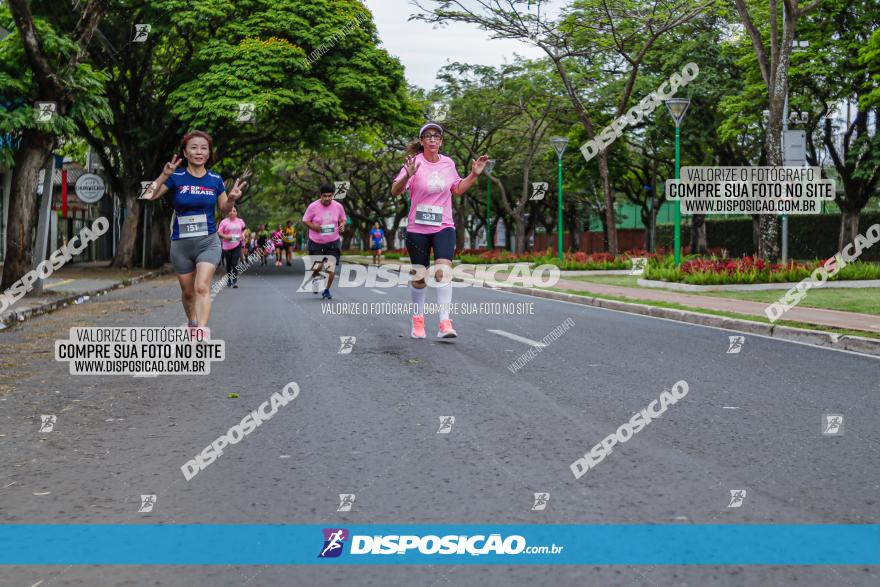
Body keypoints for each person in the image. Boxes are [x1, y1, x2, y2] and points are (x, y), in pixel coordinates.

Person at [141, 130, 248, 331]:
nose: (199, 152)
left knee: (201, 287)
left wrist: (232, 197)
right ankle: (192, 322)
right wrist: (164, 175)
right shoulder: (176, 176)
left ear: (209, 154)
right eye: (194, 147)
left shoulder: (215, 179)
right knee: (188, 292)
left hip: (208, 241)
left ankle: (201, 332)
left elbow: (225, 210)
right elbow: (147, 195)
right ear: (185, 152)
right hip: (181, 243)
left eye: (203, 148)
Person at [391, 122, 487, 339]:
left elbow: (458, 189)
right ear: (422, 141)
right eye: (428, 136)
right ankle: (418, 320)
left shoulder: (448, 163)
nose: (432, 139)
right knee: (420, 277)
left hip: (444, 226)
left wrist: (474, 175)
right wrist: (407, 175)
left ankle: (445, 322)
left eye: (436, 136)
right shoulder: (413, 163)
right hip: (418, 229)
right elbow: (395, 191)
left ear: (441, 141)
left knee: (443, 271)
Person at [302, 184, 346, 300]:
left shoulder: (338, 206)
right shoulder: (313, 207)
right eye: (325, 196)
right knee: (318, 267)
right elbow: (305, 220)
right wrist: (314, 227)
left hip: (333, 241)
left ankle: (326, 290)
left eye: (330, 196)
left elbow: (342, 219)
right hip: (316, 241)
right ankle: (316, 278)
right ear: (320, 196)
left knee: (330, 268)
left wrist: (342, 226)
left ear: (333, 196)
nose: (327, 198)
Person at [218, 207, 246, 288]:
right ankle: (229, 279)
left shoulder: (240, 221)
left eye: (234, 211)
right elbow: (219, 233)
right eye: (230, 211)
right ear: (228, 212)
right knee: (229, 264)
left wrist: (243, 234)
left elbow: (244, 229)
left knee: (234, 263)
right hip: (227, 245)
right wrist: (226, 236)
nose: (232, 212)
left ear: (236, 212)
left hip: (237, 243)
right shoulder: (224, 222)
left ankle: (235, 281)